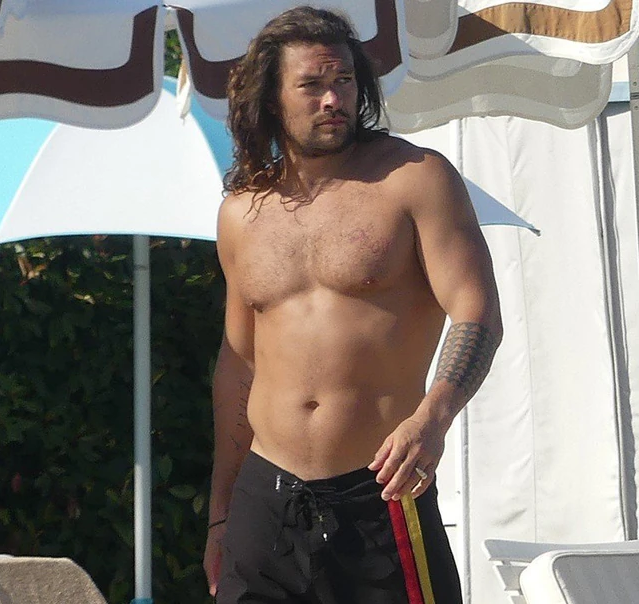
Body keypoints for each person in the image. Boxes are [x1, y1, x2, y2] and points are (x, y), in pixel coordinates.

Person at [203, 6, 502, 603]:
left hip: (381, 489)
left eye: (343, 80)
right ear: (270, 97)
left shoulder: (414, 179)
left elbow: (477, 314)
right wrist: (221, 513)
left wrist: (433, 418)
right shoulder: (242, 212)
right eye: (311, 85)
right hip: (267, 498)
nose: (333, 99)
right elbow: (238, 364)